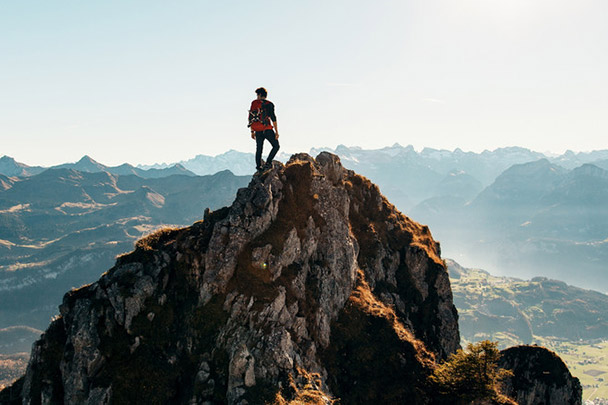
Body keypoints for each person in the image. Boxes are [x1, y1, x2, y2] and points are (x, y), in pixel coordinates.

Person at [248, 87, 280, 171]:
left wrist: (252, 131)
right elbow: (273, 118)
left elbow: (250, 117)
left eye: (257, 95)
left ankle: (259, 167)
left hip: (257, 130)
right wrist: (276, 132)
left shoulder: (254, 103)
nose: (256, 97)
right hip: (267, 129)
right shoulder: (269, 104)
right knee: (276, 146)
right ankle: (268, 163)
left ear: (259, 95)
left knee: (259, 149)